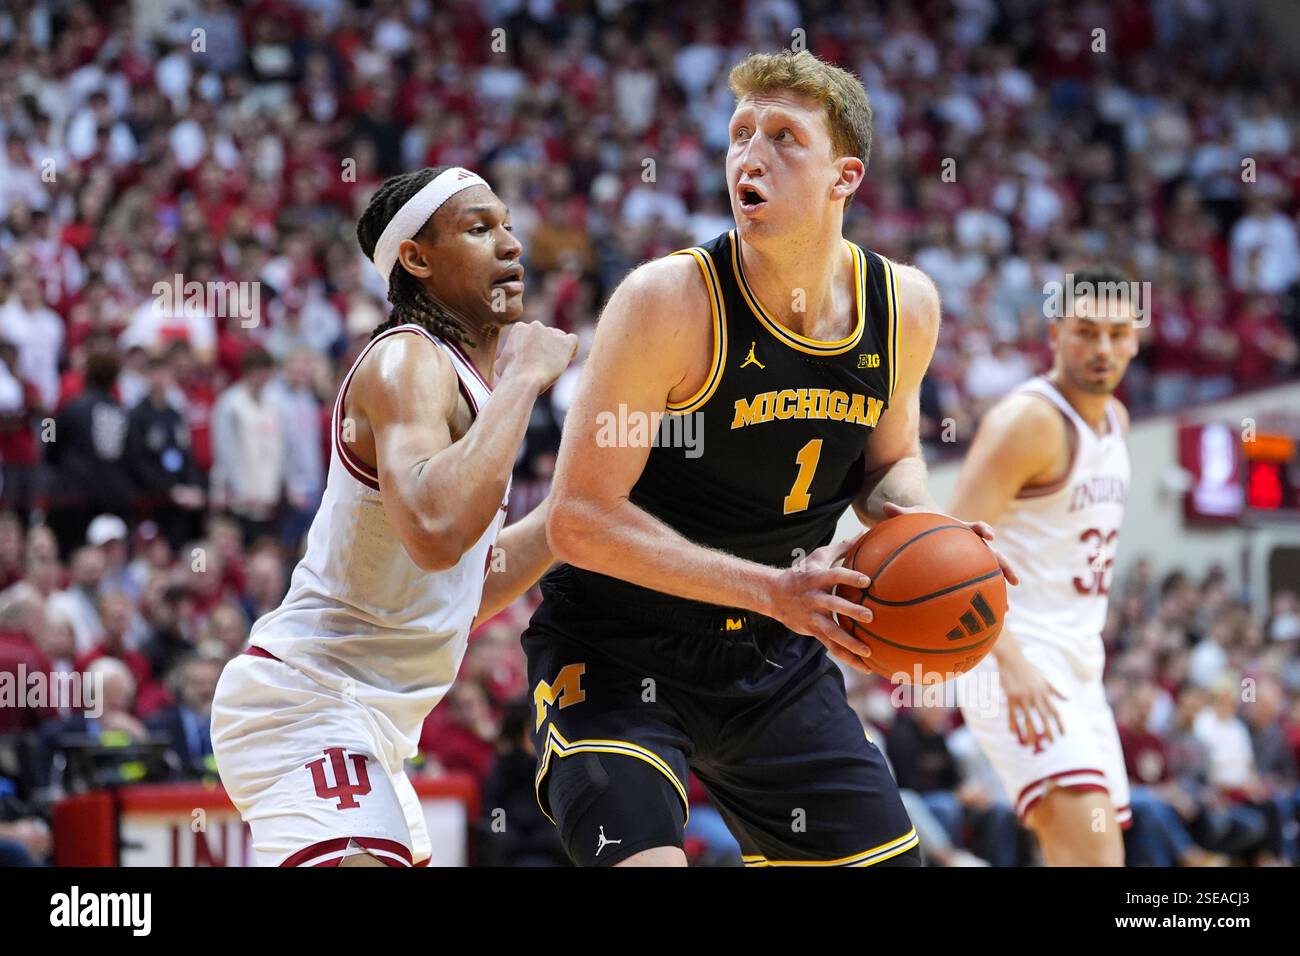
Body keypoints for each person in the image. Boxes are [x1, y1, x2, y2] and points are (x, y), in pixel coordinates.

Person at [523, 51, 1013, 868]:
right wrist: (775, 590)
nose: (751, 154)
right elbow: (576, 518)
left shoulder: (904, 307)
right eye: (740, 133)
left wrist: (935, 530)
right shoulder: (667, 302)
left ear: (843, 176)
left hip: (772, 654)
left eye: (784, 137)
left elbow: (887, 471)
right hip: (614, 644)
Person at [211, 166, 577, 867]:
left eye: (506, 225)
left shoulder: (466, 385)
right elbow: (438, 534)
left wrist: (569, 516)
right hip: (308, 702)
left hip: (369, 722)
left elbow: (455, 588)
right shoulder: (406, 361)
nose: (511, 244)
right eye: (479, 229)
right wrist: (527, 380)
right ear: (416, 257)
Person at [950, 267, 1138, 866]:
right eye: (1086, 331)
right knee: (1092, 854)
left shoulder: (1118, 421)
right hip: (1013, 656)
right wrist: (1010, 660)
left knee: (1092, 853)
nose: (1102, 348)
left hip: (1080, 666)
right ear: (1055, 333)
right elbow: (948, 555)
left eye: (1116, 333)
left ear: (1136, 338)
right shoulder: (1029, 421)